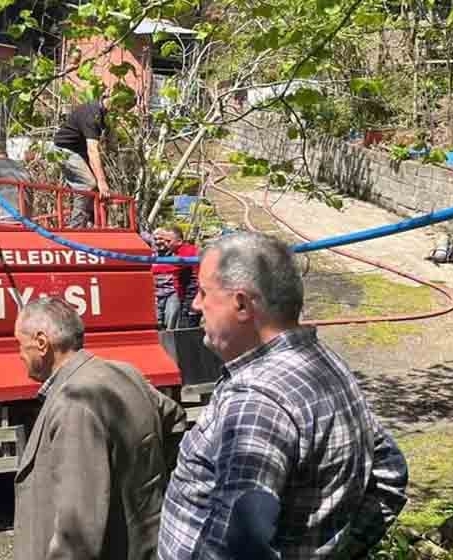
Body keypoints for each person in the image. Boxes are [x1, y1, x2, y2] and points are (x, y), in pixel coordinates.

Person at [159, 232, 409, 560]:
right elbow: (389, 472)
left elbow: (234, 551)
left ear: (241, 304)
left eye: (204, 293)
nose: (195, 304)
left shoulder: (258, 403)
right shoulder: (324, 364)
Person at [13, 297, 185, 560]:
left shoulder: (75, 405)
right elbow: (175, 421)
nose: (19, 355)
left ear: (41, 343)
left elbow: (78, 534)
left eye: (20, 345)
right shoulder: (126, 372)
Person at [52, 97, 111, 228]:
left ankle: (90, 222)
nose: (125, 109)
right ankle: (75, 226)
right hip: (64, 150)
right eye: (125, 105)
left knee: (96, 187)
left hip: (79, 151)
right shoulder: (92, 115)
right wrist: (101, 181)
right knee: (87, 183)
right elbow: (92, 150)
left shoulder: (102, 116)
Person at [151, 226, 199, 330]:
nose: (166, 244)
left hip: (191, 298)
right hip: (184, 296)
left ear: (179, 241)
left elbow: (171, 267)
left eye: (168, 241)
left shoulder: (188, 251)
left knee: (186, 329)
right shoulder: (175, 252)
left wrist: (147, 268)